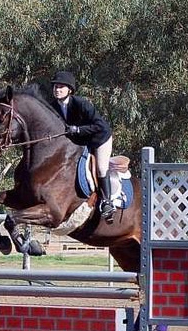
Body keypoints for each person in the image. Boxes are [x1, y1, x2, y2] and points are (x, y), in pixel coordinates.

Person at [50, 70, 116, 221]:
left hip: (99, 138)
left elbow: (100, 125)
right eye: (55, 87)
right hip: (78, 142)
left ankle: (107, 202)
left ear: (70, 90)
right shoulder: (52, 106)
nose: (57, 89)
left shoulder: (81, 104)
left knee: (100, 167)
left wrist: (78, 129)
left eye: (61, 87)